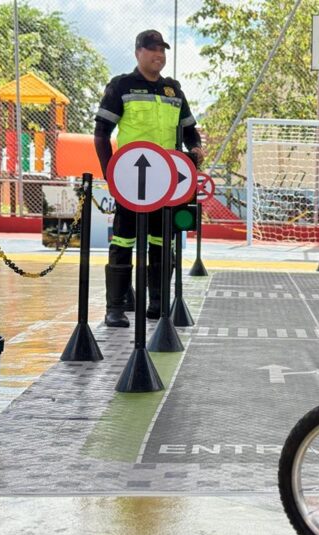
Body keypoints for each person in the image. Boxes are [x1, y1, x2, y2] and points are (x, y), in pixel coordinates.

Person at [94, 29, 204, 327]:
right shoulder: (122, 86)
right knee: (123, 238)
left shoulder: (173, 90)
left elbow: (188, 130)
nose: (159, 55)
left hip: (166, 184)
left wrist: (195, 147)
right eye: (153, 49)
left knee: (161, 240)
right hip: (130, 181)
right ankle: (115, 308)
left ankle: (157, 302)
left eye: (163, 50)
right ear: (138, 52)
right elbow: (102, 133)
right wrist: (110, 174)